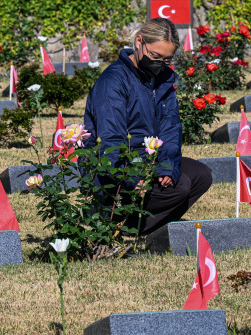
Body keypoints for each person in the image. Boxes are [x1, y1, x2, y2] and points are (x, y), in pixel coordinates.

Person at [83, 17, 212, 234]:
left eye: (167, 60)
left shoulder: (163, 80)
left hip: (147, 158)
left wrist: (167, 167)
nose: (159, 64)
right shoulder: (113, 81)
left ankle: (146, 227)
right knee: (179, 189)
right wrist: (132, 179)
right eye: (154, 56)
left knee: (201, 175)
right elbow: (110, 141)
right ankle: (120, 227)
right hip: (116, 167)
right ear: (139, 41)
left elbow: (170, 128)